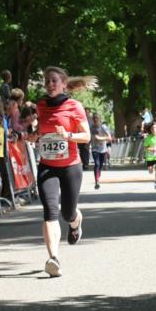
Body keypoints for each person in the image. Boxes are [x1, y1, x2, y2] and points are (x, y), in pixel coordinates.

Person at [27, 67, 92, 277]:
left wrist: (69, 135)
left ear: (64, 83)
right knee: (50, 211)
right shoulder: (40, 106)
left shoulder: (74, 106)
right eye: (47, 81)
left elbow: (86, 136)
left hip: (71, 165)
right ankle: (53, 258)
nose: (50, 84)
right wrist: (34, 136)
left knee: (67, 213)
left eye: (54, 80)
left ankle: (76, 221)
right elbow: (41, 130)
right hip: (47, 166)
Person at [90, 113, 112, 190]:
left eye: (97, 119)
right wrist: (105, 138)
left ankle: (98, 177)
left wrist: (104, 138)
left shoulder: (103, 127)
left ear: (99, 119)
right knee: (97, 164)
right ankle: (97, 181)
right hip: (95, 149)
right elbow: (97, 138)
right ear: (93, 120)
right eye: (94, 119)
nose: (95, 120)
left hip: (103, 149)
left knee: (100, 166)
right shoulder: (92, 128)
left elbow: (110, 138)